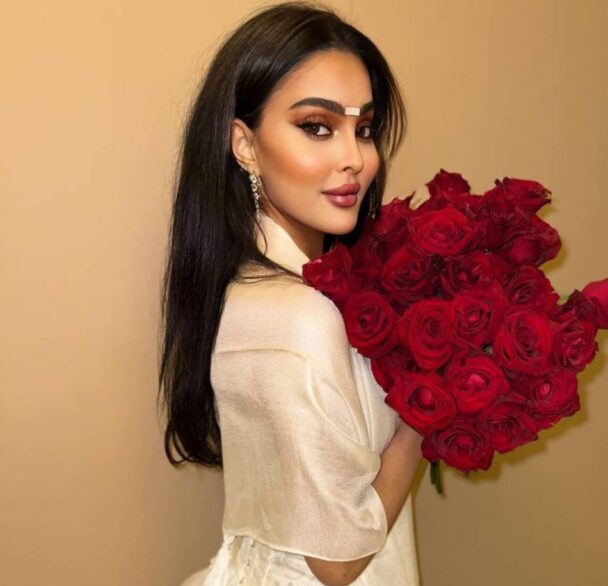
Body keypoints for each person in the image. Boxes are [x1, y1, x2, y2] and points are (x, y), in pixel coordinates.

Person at [158, 2, 426, 585]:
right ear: (245, 144)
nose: (355, 159)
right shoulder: (294, 315)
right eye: (317, 126)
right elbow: (337, 560)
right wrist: (426, 410)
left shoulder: (271, 290)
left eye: (364, 129)